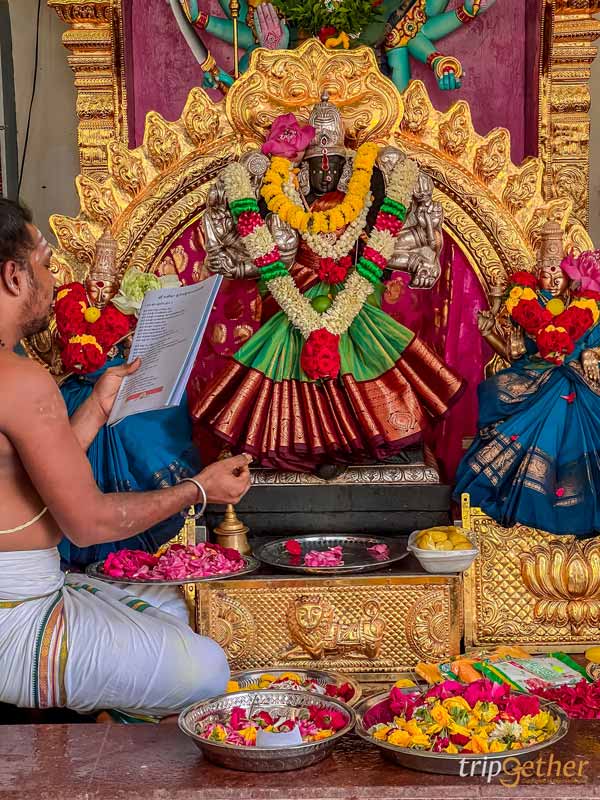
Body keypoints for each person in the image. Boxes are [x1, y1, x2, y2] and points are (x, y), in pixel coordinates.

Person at [0, 198, 251, 719]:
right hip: (17, 617)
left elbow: (27, 474)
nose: (51, 280)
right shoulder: (20, 380)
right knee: (207, 668)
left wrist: (96, 405)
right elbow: (88, 523)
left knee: (172, 608)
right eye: (44, 265)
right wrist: (200, 489)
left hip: (27, 589)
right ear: (12, 276)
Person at [455, 228, 600, 537]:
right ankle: (529, 496)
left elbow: (596, 343)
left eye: (558, 270)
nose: (553, 277)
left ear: (569, 274)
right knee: (507, 394)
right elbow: (512, 353)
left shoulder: (587, 309)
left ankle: (569, 502)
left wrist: (591, 353)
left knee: (566, 401)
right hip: (532, 377)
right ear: (537, 276)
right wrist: (487, 333)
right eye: (546, 272)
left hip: (573, 379)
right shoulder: (525, 309)